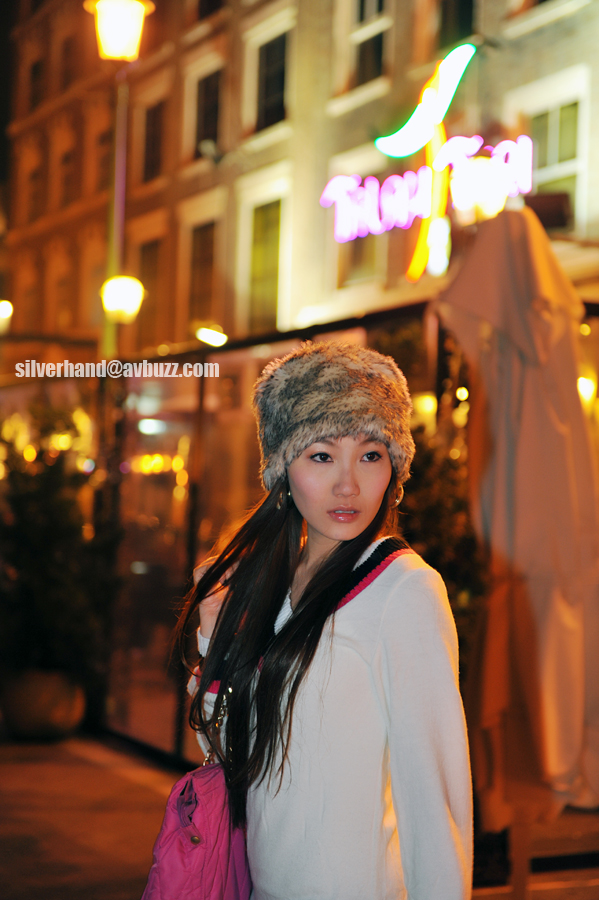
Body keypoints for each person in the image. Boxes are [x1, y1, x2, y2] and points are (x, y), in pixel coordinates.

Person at [177, 341, 472, 900]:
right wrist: (215, 637)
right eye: (321, 456)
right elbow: (228, 753)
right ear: (281, 469)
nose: (348, 485)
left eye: (370, 455)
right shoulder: (272, 586)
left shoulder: (404, 590)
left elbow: (435, 802)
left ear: (394, 467)